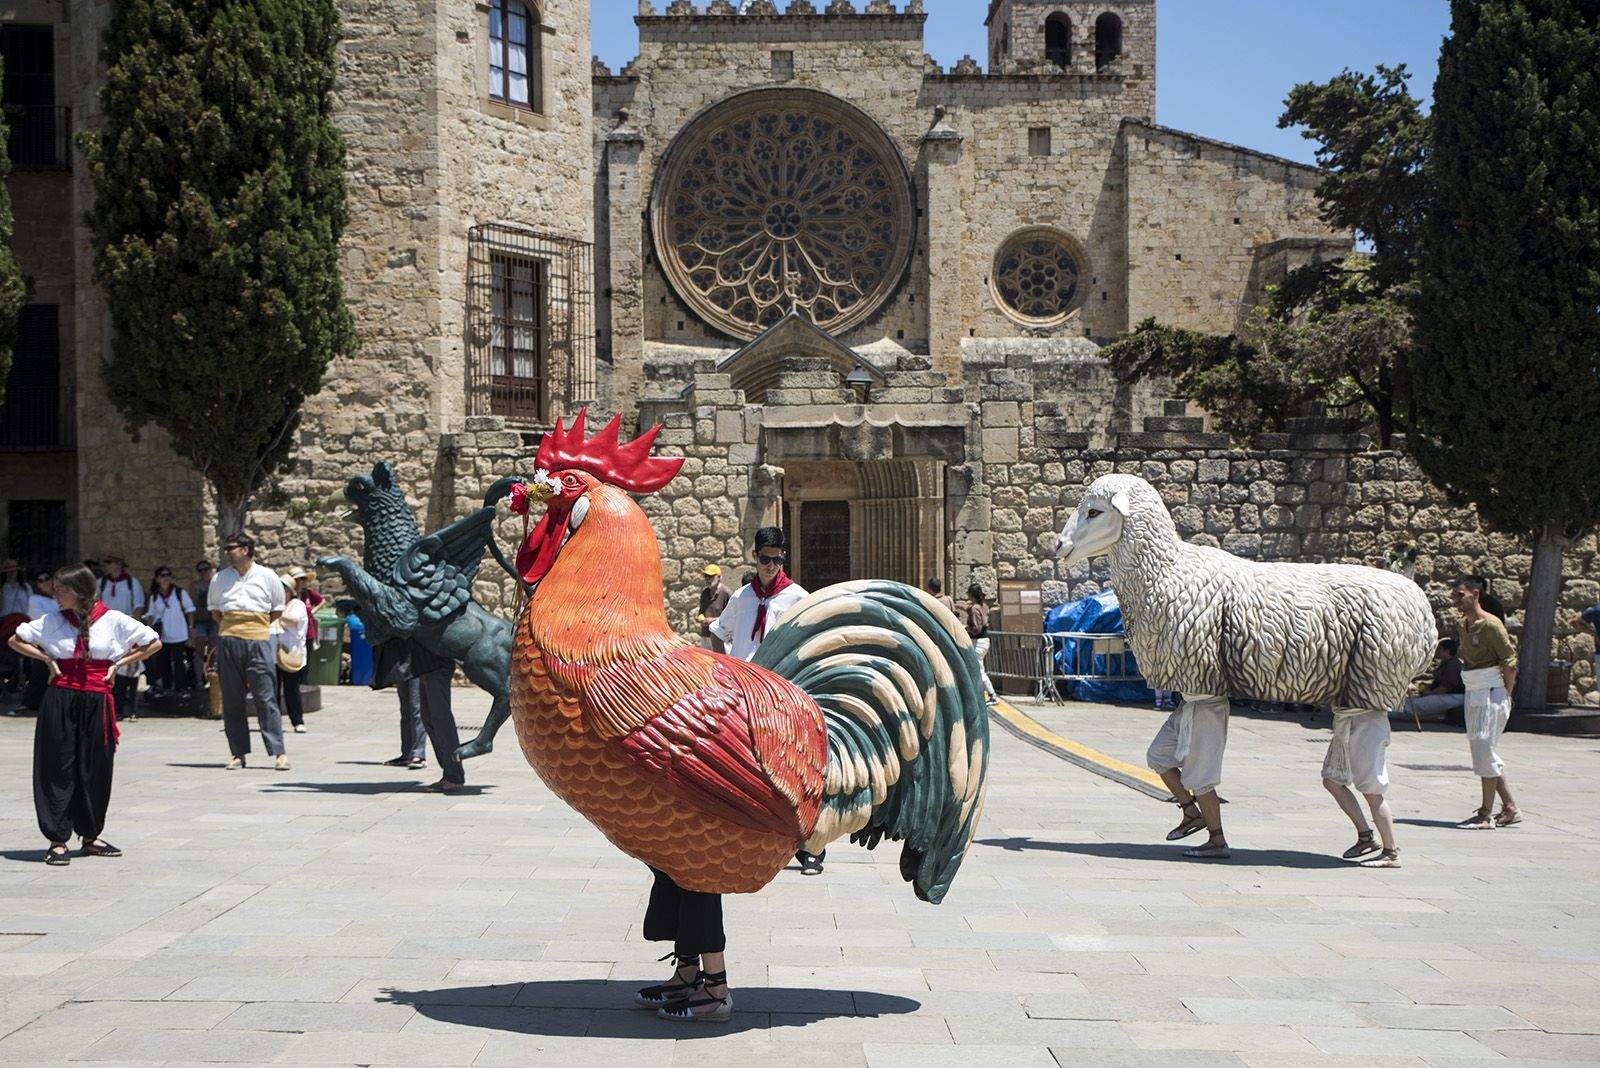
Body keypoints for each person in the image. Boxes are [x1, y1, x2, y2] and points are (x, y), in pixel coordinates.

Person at [8, 564, 160, 864]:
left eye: (60, 590)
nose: (55, 596)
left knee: (95, 766)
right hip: (61, 698)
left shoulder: (114, 619)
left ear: (79, 592)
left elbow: (153, 642)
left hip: (97, 698)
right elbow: (16, 639)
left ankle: (91, 835)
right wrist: (48, 659)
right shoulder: (52, 621)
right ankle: (57, 839)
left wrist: (119, 664)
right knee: (57, 765)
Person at [710, 526, 819, 874]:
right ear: (754, 557)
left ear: (783, 557)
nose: (770, 566)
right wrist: (723, 668)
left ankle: (810, 848)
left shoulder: (798, 598)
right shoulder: (742, 597)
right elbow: (718, 632)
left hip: (780, 696)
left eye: (776, 559)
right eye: (764, 559)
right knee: (742, 769)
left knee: (793, 769)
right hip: (741, 694)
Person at [209, 534, 289, 771]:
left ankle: (278, 752)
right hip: (229, 639)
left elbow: (276, 610)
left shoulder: (267, 576)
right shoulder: (220, 579)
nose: (226, 552)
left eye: (230, 548)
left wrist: (254, 626)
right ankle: (237, 753)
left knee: (265, 696)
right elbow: (215, 611)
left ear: (245, 550)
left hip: (258, 639)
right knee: (232, 699)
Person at [1452, 575, 1519, 829]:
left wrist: (1507, 694)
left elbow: (1509, 661)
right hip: (1474, 689)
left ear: (1475, 594)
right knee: (1481, 749)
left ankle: (1486, 813)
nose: (1456, 600)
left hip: (1492, 690)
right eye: (1455, 595)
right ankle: (1510, 806)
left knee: (1483, 746)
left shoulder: (1492, 625)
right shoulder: (1463, 625)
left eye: (1461, 595)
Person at [1150, 695, 1233, 859]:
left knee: (1200, 778)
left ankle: (1218, 841)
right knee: (1157, 755)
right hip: (1186, 705)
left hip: (1208, 709)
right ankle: (1191, 813)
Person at [1322, 704, 1401, 868]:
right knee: (1332, 781)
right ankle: (1366, 837)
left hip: (1369, 728)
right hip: (1348, 724)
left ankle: (1391, 852)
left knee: (1372, 792)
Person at [97, 556, 145, 716]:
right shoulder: (101, 583)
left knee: (128, 667)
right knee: (107, 664)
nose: (107, 566)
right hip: (106, 629)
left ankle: (130, 707)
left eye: (109, 563)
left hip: (125, 629)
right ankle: (112, 704)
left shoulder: (132, 583)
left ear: (118, 565)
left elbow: (138, 605)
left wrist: (132, 628)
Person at [144, 567, 195, 693]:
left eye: (168, 575)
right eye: (162, 575)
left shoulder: (179, 592)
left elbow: (190, 610)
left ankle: (180, 687)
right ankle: (167, 687)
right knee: (164, 661)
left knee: (179, 661)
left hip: (179, 633)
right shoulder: (155, 596)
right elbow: (151, 614)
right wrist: (148, 628)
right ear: (157, 579)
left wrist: (191, 627)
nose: (166, 577)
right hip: (163, 634)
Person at [273, 573, 311, 734]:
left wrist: (275, 612)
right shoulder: (276, 608)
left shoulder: (296, 605)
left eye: (283, 590)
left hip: (291, 654)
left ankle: (297, 721)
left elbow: (293, 621)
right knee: (273, 690)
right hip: (274, 654)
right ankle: (274, 722)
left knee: (291, 690)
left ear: (290, 591)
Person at [1401, 638, 1466, 723]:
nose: (1437, 651)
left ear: (1447, 651)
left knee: (1416, 705)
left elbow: (1447, 686)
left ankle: (1392, 712)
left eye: (1439, 649)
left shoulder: (1453, 665)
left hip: (1453, 696)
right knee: (1411, 700)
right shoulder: (1444, 663)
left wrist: (1431, 693)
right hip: (1442, 694)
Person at [964, 583, 998, 703]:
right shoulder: (984, 605)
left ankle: (992, 695)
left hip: (977, 641)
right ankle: (978, 693)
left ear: (971, 594)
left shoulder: (974, 608)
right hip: (984, 640)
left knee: (978, 669)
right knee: (976, 668)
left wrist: (966, 629)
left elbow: (977, 628)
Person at [1, 558, 30, 695]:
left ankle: (23, 681)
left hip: (23, 622)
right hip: (5, 623)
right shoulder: (2, 588)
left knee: (23, 653)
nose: (12, 572)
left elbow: (30, 606)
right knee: (9, 653)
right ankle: (11, 682)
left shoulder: (25, 587)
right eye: (9, 570)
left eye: (14, 569)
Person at [188, 561, 218, 688]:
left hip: (213, 620)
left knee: (213, 651)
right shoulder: (195, 585)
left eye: (206, 569)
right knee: (199, 652)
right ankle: (199, 679)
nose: (203, 572)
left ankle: (211, 677)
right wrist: (191, 626)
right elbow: (192, 606)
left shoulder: (216, 584)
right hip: (200, 621)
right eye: (200, 570)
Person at [696, 564, 732, 653]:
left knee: (722, 665)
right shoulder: (705, 593)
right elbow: (702, 611)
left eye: (710, 576)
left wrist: (711, 621)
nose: (707, 579)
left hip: (721, 638)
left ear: (719, 577)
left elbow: (731, 618)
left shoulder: (727, 593)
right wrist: (700, 618)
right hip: (706, 636)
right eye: (705, 576)